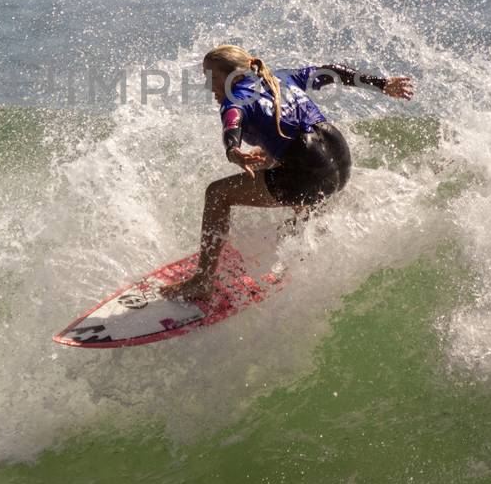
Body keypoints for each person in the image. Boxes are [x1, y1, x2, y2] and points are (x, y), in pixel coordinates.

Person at [166, 44, 414, 301]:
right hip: (339, 162)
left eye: (212, 78)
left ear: (234, 77)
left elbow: (232, 124)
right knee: (273, 162)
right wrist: (382, 84)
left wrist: (233, 151)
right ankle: (304, 231)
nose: (209, 87)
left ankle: (202, 281)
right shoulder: (281, 78)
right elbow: (329, 72)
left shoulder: (234, 98)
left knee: (217, 193)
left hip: (309, 175)